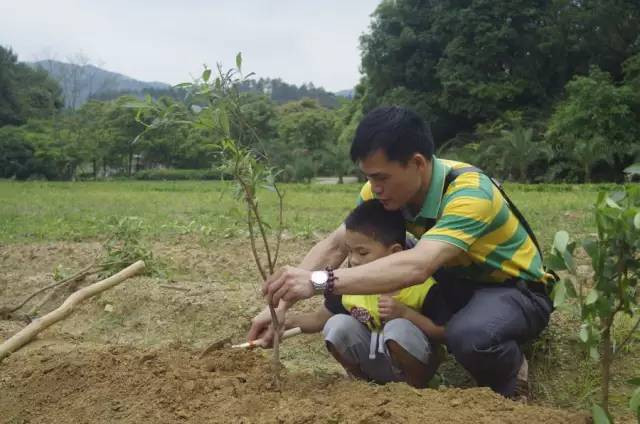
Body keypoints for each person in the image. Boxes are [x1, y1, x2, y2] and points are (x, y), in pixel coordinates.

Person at [249, 106, 554, 399]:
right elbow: (337, 244)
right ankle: (415, 344)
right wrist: (281, 306)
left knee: (470, 336)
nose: (374, 188)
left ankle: (511, 372)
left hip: (511, 288)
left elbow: (419, 265)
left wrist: (318, 282)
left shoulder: (471, 193)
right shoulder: (382, 192)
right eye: (369, 177)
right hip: (450, 276)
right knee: (375, 247)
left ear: (418, 164)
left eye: (381, 177)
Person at [281, 199, 446, 388]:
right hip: (374, 362)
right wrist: (285, 322)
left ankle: (416, 389)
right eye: (350, 252)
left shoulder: (421, 287)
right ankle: (363, 386)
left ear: (395, 252)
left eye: (362, 252)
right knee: (337, 325)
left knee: (398, 329)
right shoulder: (347, 286)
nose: (354, 260)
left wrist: (406, 314)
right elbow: (319, 319)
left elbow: (444, 333)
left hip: (417, 367)